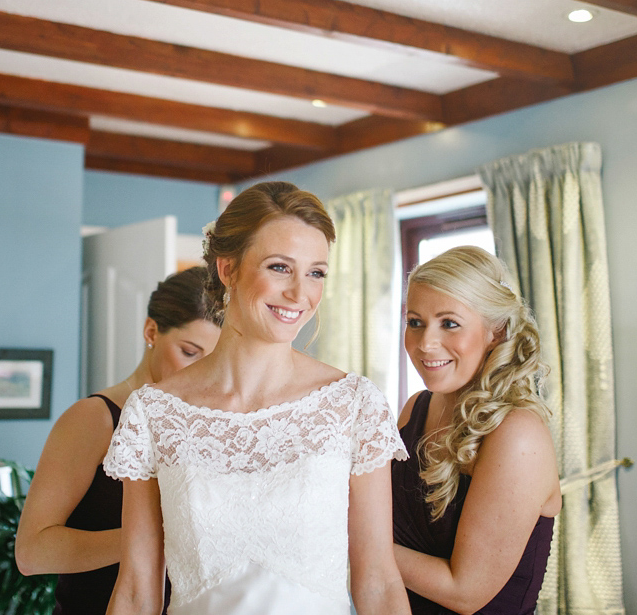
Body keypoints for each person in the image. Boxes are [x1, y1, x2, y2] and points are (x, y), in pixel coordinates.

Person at [103, 181, 411, 615]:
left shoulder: (352, 405)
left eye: (316, 273)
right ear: (228, 269)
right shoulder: (154, 412)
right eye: (280, 267)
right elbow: (136, 588)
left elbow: (378, 581)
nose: (300, 294)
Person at [15, 266, 224, 615]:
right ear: (151, 331)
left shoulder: (215, 427)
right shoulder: (94, 418)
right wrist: (149, 538)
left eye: (213, 359)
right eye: (189, 352)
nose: (199, 372)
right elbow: (31, 552)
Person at [391, 246, 561, 615]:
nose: (425, 344)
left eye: (449, 323)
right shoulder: (415, 408)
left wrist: (351, 543)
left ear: (495, 332)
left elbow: (465, 593)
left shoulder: (517, 436)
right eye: (415, 322)